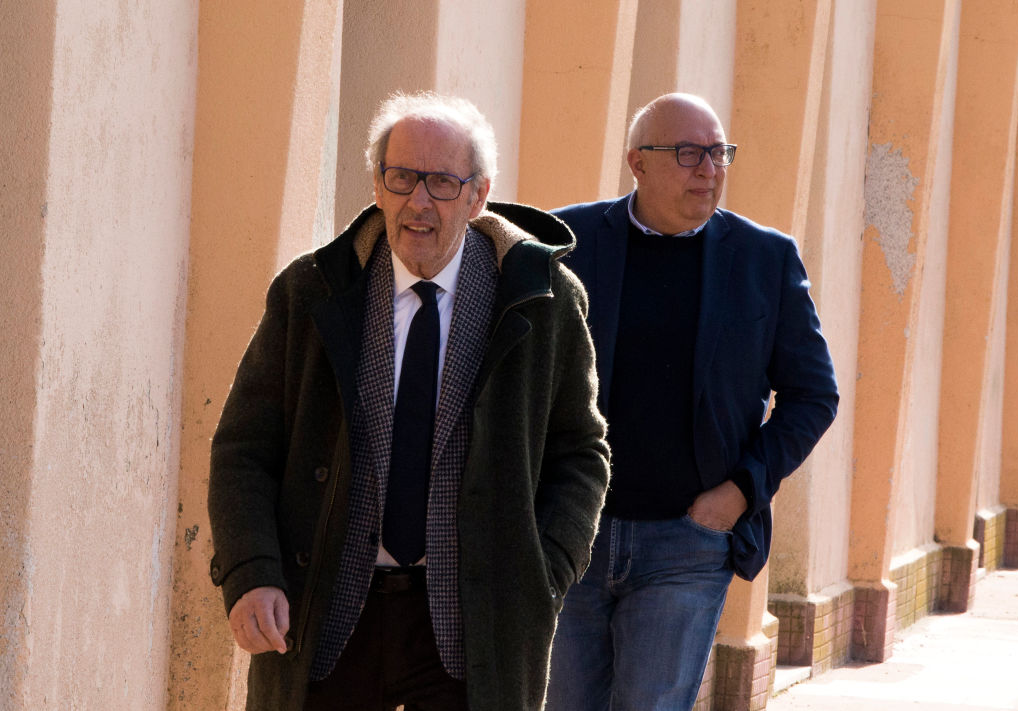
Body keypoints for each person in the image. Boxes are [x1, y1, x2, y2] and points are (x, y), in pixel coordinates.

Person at [207, 91, 610, 711]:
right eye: (401, 179)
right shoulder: (311, 292)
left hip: (473, 627)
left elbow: (580, 452)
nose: (418, 202)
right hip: (325, 616)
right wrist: (251, 572)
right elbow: (243, 449)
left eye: (442, 183)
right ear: (377, 185)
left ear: (478, 196)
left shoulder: (541, 299)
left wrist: (543, 571)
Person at [546, 93, 840, 710]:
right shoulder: (566, 245)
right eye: (688, 154)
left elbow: (814, 395)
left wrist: (740, 491)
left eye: (717, 152)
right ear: (637, 163)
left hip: (687, 542)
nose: (709, 169)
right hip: (571, 533)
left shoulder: (766, 259)